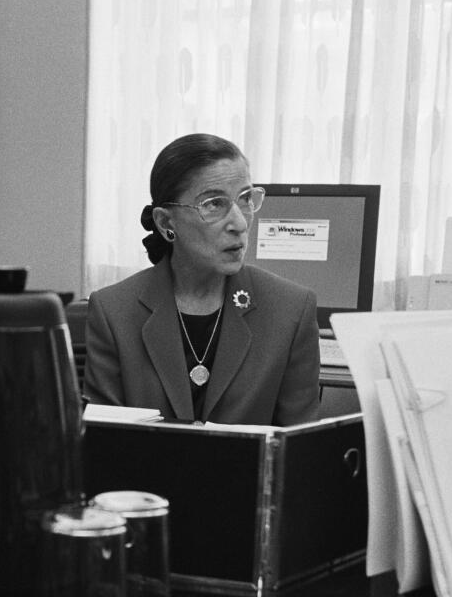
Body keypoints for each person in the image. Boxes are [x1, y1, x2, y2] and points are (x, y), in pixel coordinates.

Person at [85, 133, 321, 425]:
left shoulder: (291, 310)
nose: (239, 223)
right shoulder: (113, 312)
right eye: (213, 204)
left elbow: (297, 450)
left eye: (246, 199)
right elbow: (103, 446)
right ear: (165, 222)